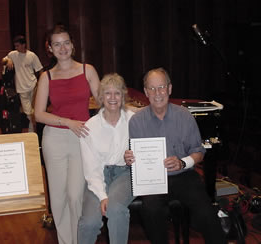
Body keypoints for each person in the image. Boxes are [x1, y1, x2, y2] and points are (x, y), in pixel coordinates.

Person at [124, 67, 225, 244]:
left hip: (183, 175)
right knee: (151, 211)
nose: (157, 93)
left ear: (169, 89)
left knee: (206, 212)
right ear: (146, 92)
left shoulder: (185, 116)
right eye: (152, 88)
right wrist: (130, 160)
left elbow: (198, 152)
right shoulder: (136, 121)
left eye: (161, 87)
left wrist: (182, 162)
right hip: (153, 181)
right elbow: (136, 161)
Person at [34, 25, 100, 244]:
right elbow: (39, 115)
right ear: (50, 49)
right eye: (57, 44)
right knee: (59, 198)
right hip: (55, 138)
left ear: (73, 45)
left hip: (81, 137)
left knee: (75, 195)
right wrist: (67, 122)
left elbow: (104, 101)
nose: (62, 48)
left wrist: (128, 111)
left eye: (66, 42)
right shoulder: (47, 77)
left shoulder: (87, 70)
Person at [78, 73, 135, 244]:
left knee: (116, 209)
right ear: (101, 97)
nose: (112, 98)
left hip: (124, 174)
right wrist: (102, 196)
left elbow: (144, 151)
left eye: (117, 93)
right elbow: (91, 168)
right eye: (107, 93)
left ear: (123, 96)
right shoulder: (89, 127)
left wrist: (135, 156)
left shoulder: (133, 120)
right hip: (98, 176)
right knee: (89, 223)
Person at [2, 35, 43, 132]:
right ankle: (32, 128)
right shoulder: (13, 54)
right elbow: (3, 60)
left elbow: (40, 69)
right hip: (21, 88)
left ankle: (32, 130)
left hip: (33, 85)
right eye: (15, 46)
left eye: (18, 46)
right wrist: (8, 60)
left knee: (35, 109)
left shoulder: (31, 55)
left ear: (24, 45)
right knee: (27, 112)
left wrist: (41, 84)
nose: (16, 48)